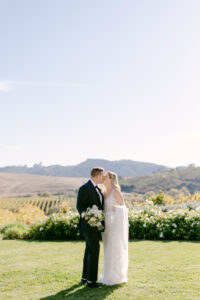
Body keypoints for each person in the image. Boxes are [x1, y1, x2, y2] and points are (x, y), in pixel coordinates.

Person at [99, 171, 128, 285]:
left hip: (115, 225)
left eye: (105, 177)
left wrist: (113, 213)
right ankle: (106, 275)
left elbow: (123, 209)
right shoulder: (103, 191)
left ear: (110, 179)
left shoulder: (116, 192)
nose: (103, 178)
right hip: (105, 225)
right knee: (107, 249)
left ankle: (116, 276)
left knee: (115, 248)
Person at [76, 167, 104, 288]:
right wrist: (91, 219)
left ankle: (85, 277)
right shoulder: (84, 188)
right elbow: (80, 207)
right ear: (96, 176)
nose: (103, 178)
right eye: (102, 176)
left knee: (89, 250)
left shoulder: (97, 188)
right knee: (94, 250)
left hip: (95, 225)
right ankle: (91, 281)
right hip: (88, 225)